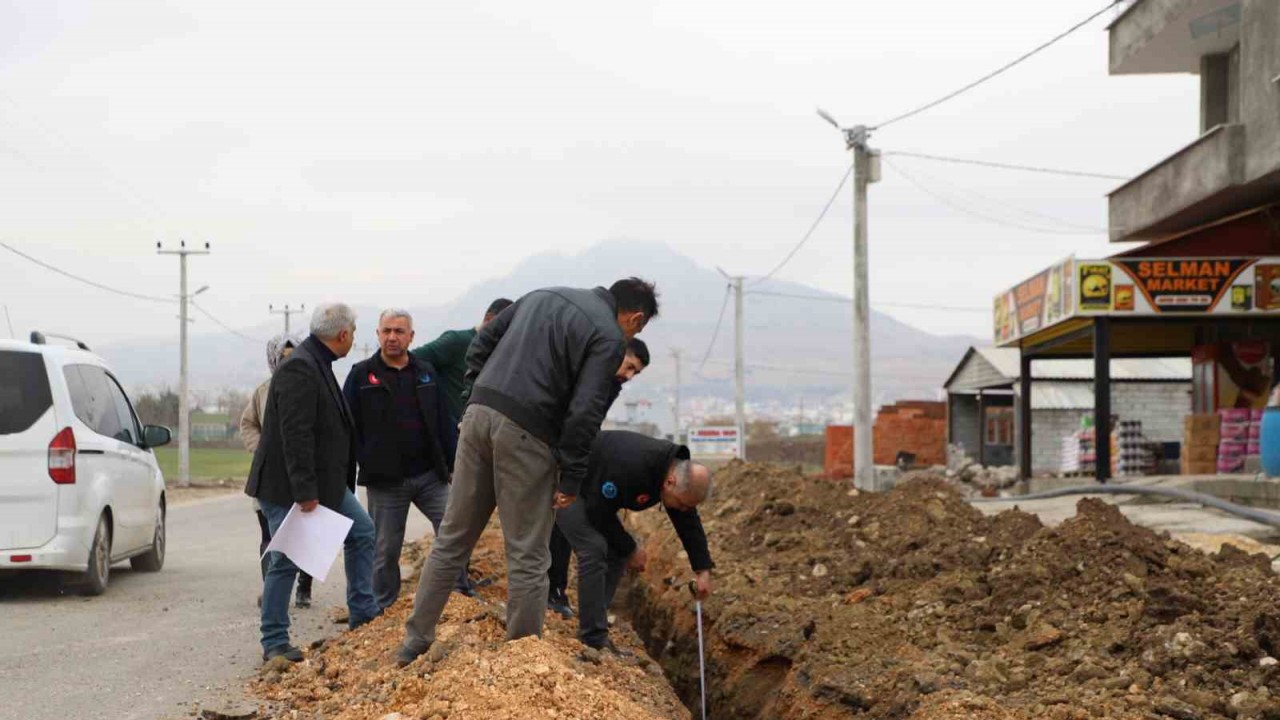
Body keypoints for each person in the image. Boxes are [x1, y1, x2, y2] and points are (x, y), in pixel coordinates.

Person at [395, 278, 660, 666]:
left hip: (478, 418)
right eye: (637, 328)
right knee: (529, 552)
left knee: (452, 539)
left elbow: (482, 342)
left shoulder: (541, 295)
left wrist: (473, 396)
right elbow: (585, 410)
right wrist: (571, 476)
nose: (632, 335)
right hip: (529, 434)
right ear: (635, 317)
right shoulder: (608, 335)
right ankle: (522, 657)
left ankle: (413, 642)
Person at [244, 303, 379, 664]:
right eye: (354, 331)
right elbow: (295, 433)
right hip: (289, 488)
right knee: (286, 559)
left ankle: (364, 614)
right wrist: (305, 493)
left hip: (326, 484)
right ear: (344, 335)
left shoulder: (317, 363)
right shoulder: (301, 367)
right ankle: (274, 642)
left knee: (362, 532)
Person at [343, 309, 464, 612]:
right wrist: (358, 461)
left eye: (399, 331)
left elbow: (443, 420)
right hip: (386, 482)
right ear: (378, 334)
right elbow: (344, 424)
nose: (392, 337)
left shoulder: (425, 373)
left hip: (429, 476)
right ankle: (384, 608)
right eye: (387, 331)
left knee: (455, 531)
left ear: (411, 336)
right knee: (385, 551)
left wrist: (452, 465)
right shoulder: (361, 375)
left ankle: (459, 595)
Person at [555, 430, 714, 653]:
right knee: (594, 548)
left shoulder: (674, 476)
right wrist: (631, 548)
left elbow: (688, 521)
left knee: (616, 551)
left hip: (592, 488)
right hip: (567, 481)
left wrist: (702, 570)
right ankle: (591, 637)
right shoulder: (632, 466)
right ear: (670, 482)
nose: (684, 510)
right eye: (683, 504)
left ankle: (595, 627)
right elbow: (597, 511)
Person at [547, 337, 650, 618]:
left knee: (562, 523)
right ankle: (549, 592)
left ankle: (554, 592)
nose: (628, 376)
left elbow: (591, 423)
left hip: (573, 455)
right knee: (564, 527)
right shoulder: (590, 370)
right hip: (552, 448)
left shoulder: (611, 385)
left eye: (635, 373)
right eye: (629, 366)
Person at [239, 333, 314, 609]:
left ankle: (303, 588)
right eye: (284, 357)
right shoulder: (262, 391)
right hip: (270, 477)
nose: (290, 362)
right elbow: (248, 424)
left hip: (303, 475)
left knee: (304, 535)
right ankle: (272, 591)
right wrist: (263, 451)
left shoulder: (310, 386)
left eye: (295, 356)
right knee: (270, 536)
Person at [411, 298, 514, 423]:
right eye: (504, 326)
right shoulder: (457, 341)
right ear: (489, 318)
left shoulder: (501, 354)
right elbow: (412, 358)